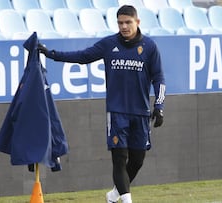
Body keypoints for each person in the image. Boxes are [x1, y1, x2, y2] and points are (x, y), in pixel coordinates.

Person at [38, 5, 165, 203]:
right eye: (120, 23)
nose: (124, 26)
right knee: (119, 159)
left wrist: (159, 106)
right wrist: (50, 54)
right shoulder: (109, 44)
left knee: (137, 160)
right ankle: (126, 200)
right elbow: (81, 57)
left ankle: (114, 195)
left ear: (137, 22)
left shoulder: (149, 47)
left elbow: (159, 78)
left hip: (141, 113)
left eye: (128, 22)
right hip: (116, 113)